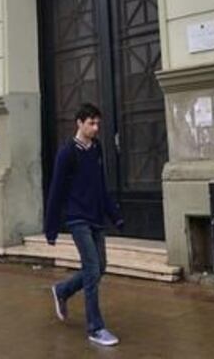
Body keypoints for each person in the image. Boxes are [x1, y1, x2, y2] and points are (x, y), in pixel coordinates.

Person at [44, 102, 124, 347]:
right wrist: (51, 227)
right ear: (79, 123)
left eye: (98, 123)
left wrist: (114, 215)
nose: (96, 127)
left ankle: (62, 291)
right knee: (91, 268)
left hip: (96, 216)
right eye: (91, 123)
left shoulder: (96, 149)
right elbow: (56, 189)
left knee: (100, 267)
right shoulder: (67, 152)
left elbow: (100, 185)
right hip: (77, 218)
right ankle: (96, 328)